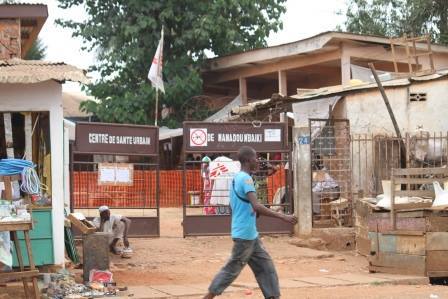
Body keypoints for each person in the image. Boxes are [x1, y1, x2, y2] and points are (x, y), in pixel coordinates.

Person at [203, 146, 298, 299]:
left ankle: (273, 296)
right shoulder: (246, 179)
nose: (257, 161)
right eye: (255, 158)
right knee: (231, 270)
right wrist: (284, 217)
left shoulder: (237, 177)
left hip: (249, 234)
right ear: (248, 160)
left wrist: (249, 214)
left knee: (266, 268)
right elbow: (256, 205)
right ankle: (208, 296)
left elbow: (234, 205)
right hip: (245, 236)